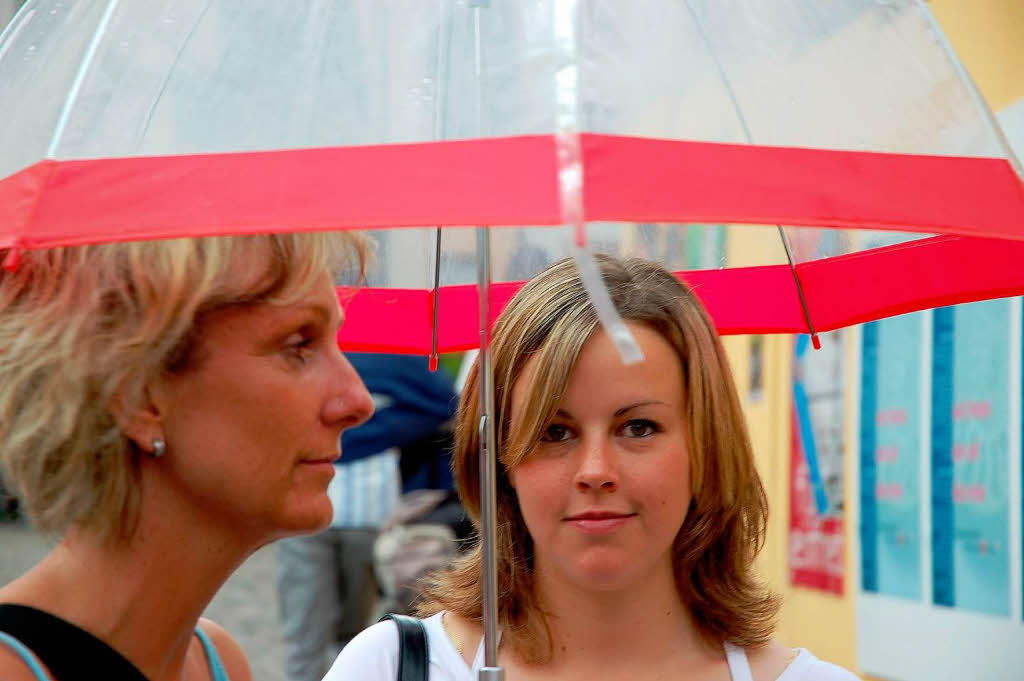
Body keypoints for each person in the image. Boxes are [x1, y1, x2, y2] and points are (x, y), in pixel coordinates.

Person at [324, 255, 860, 681]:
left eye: (639, 428)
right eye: (554, 432)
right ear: (499, 459)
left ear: (706, 447)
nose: (596, 471)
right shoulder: (391, 669)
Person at [0, 232, 376, 681]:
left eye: (338, 340)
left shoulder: (217, 660)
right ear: (140, 396)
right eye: (298, 344)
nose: (358, 401)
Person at [276, 352, 458, 681]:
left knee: (358, 635)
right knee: (306, 634)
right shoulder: (299, 355)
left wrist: (360, 435)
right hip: (303, 518)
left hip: (373, 517)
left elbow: (442, 403)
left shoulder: (399, 357)